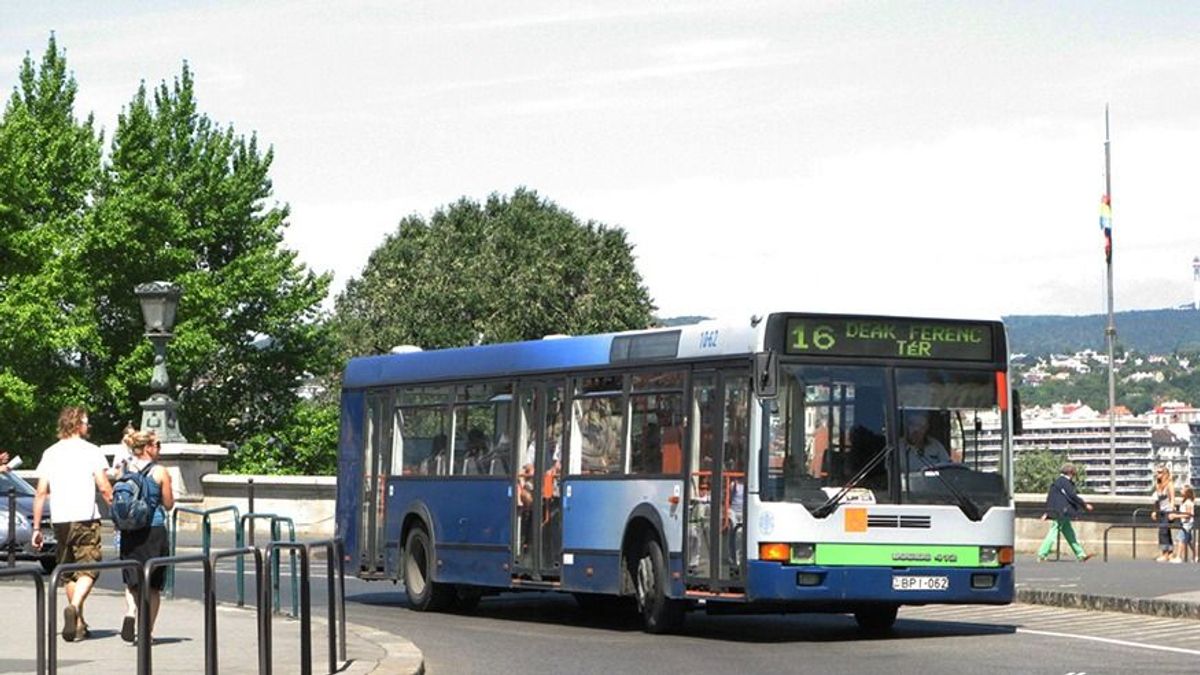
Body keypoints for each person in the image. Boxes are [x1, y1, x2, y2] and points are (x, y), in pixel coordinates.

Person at [31, 406, 114, 642]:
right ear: (78, 424)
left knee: (68, 572)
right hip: (85, 518)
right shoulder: (91, 451)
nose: (89, 426)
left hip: (60, 520)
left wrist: (37, 528)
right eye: (87, 422)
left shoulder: (50, 452)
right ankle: (75, 606)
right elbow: (104, 487)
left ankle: (78, 626)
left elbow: (40, 492)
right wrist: (117, 512)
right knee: (90, 568)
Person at [117, 427, 174, 643]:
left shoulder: (125, 469)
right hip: (154, 530)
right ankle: (146, 633)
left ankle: (131, 611)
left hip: (130, 532)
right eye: (158, 445)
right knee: (153, 585)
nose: (159, 449)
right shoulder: (159, 472)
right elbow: (168, 504)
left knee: (132, 581)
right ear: (148, 447)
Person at [1036, 462, 1094, 562]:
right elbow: (1072, 496)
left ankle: (1080, 554)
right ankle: (1042, 554)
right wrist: (1084, 505)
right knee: (1053, 532)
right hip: (1062, 511)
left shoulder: (1057, 482)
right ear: (1071, 472)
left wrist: (1047, 512)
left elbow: (1051, 498)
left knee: (1069, 534)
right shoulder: (1065, 482)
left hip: (1059, 511)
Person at [1150, 464, 1176, 562]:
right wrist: (1154, 511)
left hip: (1168, 511)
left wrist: (1172, 512)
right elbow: (1156, 500)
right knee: (1165, 532)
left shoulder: (1170, 484)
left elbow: (1172, 499)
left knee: (1163, 532)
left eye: (1160, 472)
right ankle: (1169, 553)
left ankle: (1165, 554)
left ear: (1165, 473)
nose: (1158, 474)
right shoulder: (1158, 484)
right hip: (1161, 511)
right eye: (1157, 472)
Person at [1172, 485, 1195, 563]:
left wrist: (1176, 516)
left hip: (1187, 524)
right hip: (1184, 523)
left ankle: (1179, 557)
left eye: (1182, 489)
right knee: (1189, 541)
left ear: (1186, 492)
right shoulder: (1185, 501)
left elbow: (1188, 514)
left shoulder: (1188, 502)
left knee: (1180, 539)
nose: (1180, 490)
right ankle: (1197, 556)